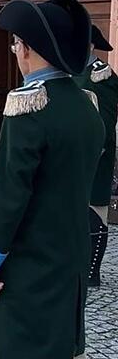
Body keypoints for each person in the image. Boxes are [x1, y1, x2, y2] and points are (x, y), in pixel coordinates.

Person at [0, 0, 102, 359]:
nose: (14, 50)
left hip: (31, 259)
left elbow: (11, 194)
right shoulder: (87, 104)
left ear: (28, 49)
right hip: (71, 251)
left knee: (21, 346)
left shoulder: (28, 105)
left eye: (15, 44)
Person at [73, 25, 117, 288]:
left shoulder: (102, 75)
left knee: (95, 211)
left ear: (89, 45)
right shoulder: (70, 72)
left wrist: (93, 151)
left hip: (93, 157)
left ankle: (92, 272)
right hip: (72, 157)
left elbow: (105, 121)